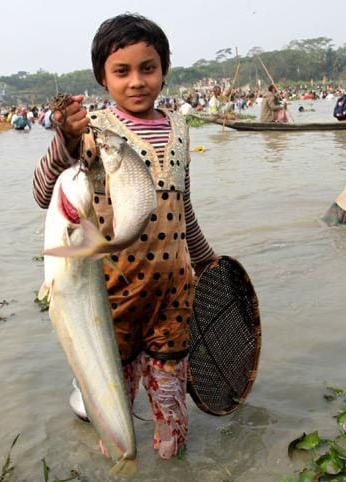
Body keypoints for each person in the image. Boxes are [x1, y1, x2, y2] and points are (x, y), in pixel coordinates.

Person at [32, 13, 217, 460]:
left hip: (174, 293)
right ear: (102, 77)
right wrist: (66, 139)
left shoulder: (180, 128)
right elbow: (43, 192)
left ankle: (172, 463)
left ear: (164, 70)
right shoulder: (90, 131)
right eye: (122, 71)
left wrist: (206, 258)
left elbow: (183, 206)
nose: (137, 81)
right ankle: (119, 461)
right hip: (112, 297)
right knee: (113, 398)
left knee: (171, 405)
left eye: (148, 68)